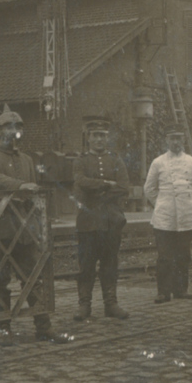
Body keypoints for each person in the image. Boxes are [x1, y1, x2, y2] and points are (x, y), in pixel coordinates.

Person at [0, 104, 72, 345]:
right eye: (9, 126)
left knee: (33, 278)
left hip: (25, 230)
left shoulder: (28, 160)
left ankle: (43, 326)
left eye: (19, 126)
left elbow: (33, 189)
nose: (14, 131)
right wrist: (20, 186)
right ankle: (3, 330)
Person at [72, 116, 130, 321]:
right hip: (88, 222)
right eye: (95, 136)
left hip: (110, 221)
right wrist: (106, 184)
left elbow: (124, 187)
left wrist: (96, 189)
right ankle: (84, 306)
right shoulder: (81, 160)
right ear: (88, 138)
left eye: (103, 136)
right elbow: (80, 181)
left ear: (107, 138)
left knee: (110, 264)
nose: (99, 140)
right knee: (86, 266)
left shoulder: (115, 160)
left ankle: (111, 304)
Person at [144, 123, 192, 303]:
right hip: (164, 217)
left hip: (186, 216)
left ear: (183, 139)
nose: (175, 142)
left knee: (183, 255)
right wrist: (162, 204)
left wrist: (184, 202)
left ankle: (181, 290)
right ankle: (163, 292)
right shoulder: (158, 162)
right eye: (172, 138)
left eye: (178, 138)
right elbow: (149, 188)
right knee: (164, 256)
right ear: (166, 140)